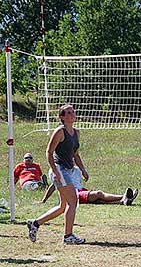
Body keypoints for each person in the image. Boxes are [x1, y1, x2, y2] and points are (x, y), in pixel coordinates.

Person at [27, 104, 88, 244]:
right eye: (68, 113)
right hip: (59, 169)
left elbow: (75, 154)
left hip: (68, 170)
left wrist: (83, 169)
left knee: (63, 206)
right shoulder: (60, 131)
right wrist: (55, 171)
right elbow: (48, 152)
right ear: (62, 117)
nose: (72, 114)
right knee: (73, 202)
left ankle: (35, 223)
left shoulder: (76, 132)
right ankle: (68, 236)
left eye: (73, 112)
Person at [41, 166, 139, 205]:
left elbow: (79, 183)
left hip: (81, 190)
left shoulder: (77, 170)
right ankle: (124, 196)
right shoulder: (61, 171)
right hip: (73, 193)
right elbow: (53, 186)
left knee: (97, 199)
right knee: (99, 194)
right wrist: (44, 200)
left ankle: (123, 201)